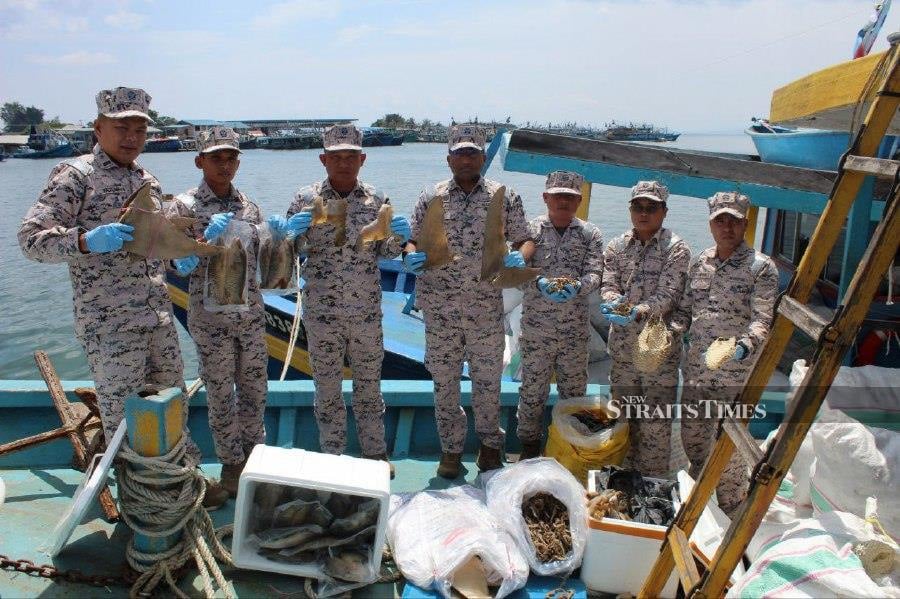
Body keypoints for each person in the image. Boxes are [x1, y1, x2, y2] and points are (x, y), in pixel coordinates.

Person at [17, 87, 227, 508]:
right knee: (122, 418)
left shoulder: (146, 180)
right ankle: (142, 508)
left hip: (158, 318)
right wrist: (84, 240)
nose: (131, 137)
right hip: (109, 324)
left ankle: (186, 483)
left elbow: (156, 246)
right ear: (98, 129)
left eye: (139, 129)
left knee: (174, 404)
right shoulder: (74, 176)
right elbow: (31, 240)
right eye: (121, 128)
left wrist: (178, 261)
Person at [403, 124, 535, 478]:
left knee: (487, 384)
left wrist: (520, 256)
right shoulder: (431, 196)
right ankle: (450, 451)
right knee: (444, 385)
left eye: (472, 153)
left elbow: (525, 238)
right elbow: (411, 240)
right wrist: (410, 254)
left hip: (485, 309)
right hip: (440, 312)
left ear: (481, 157)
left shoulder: (504, 196)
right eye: (459, 153)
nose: (465, 159)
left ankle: (490, 448)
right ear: (449, 159)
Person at [281, 124, 409, 477]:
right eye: (335, 157)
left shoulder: (377, 200)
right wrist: (290, 232)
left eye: (350, 157)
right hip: (322, 312)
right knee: (327, 389)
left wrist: (400, 238)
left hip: (366, 311)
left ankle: (375, 455)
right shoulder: (305, 200)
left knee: (370, 386)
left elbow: (385, 252)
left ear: (362, 159)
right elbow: (288, 253)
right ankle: (332, 457)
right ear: (323, 159)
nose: (343, 164)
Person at [166, 126, 267, 497]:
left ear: (238, 162)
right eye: (216, 158)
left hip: (250, 316)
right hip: (211, 321)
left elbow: (262, 261)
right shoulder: (183, 207)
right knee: (222, 394)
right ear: (199, 161)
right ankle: (230, 465)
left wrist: (279, 236)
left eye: (230, 158)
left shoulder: (249, 207)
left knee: (256, 389)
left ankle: (254, 457)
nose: (224, 165)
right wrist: (195, 248)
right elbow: (171, 264)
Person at [672, 191, 778, 515]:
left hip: (735, 375)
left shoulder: (762, 268)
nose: (727, 227)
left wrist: (743, 345)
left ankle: (730, 508)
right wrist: (669, 332)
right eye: (721, 220)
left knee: (729, 449)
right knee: (694, 438)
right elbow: (685, 311)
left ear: (745, 223)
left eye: (734, 220)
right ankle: (700, 502)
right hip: (697, 373)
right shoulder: (700, 262)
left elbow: (763, 319)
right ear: (711, 224)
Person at [598, 181, 691, 477]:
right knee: (623, 418)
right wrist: (613, 302)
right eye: (638, 207)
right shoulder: (616, 246)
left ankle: (651, 486)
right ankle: (622, 480)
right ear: (630, 210)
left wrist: (636, 311)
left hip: (657, 356)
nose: (644, 213)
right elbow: (608, 285)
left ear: (664, 212)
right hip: (624, 352)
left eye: (652, 208)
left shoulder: (677, 249)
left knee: (654, 427)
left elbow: (668, 295)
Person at [515, 170, 604, 459]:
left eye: (570, 197)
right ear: (545, 198)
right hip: (536, 331)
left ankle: (570, 450)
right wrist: (537, 282)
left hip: (574, 333)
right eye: (557, 196)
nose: (563, 201)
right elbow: (515, 271)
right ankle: (528, 449)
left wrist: (579, 286)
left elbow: (595, 272)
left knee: (574, 394)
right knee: (531, 393)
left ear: (579, 200)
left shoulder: (590, 233)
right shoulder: (529, 231)